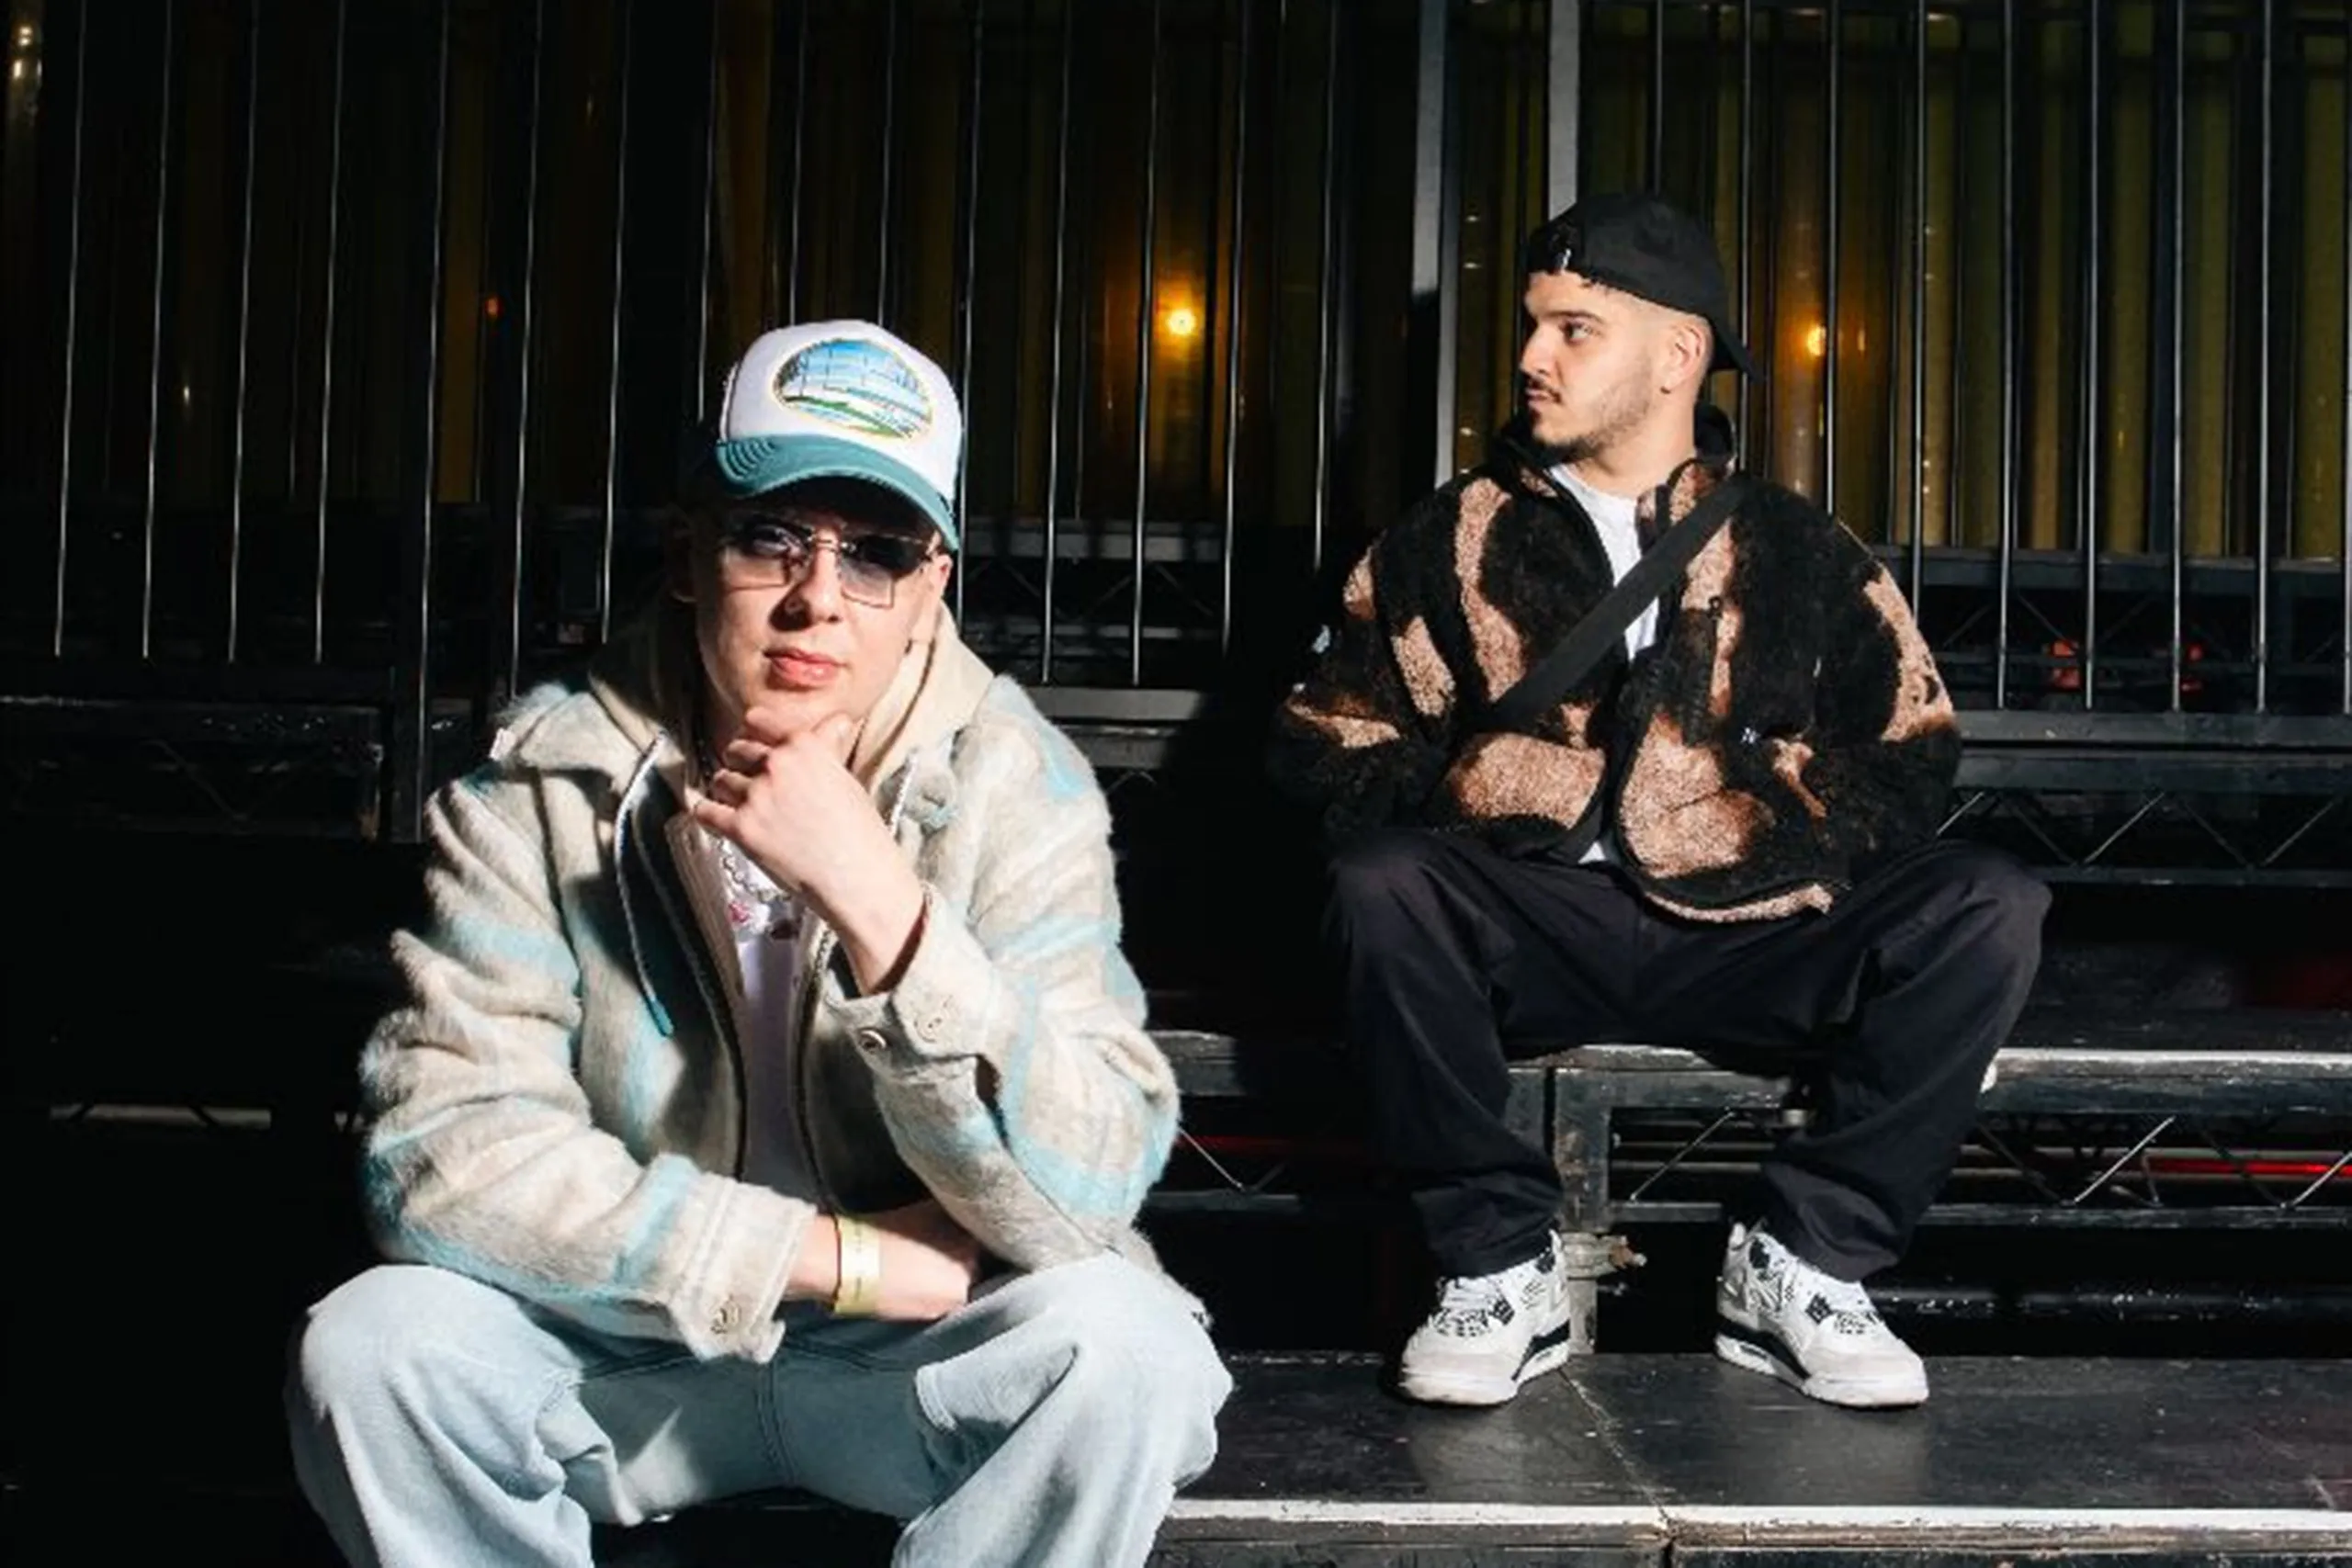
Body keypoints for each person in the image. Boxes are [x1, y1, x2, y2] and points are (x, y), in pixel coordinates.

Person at [286, 321, 1229, 1567]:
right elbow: (440, 1159)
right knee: (373, 1350)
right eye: (771, 535)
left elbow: (1085, 1188)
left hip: (911, 1370)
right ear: (689, 554)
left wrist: (883, 908)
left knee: (1129, 1354)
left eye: (878, 552)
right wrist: (829, 1256)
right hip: (631, 1351)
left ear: (932, 588)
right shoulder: (544, 779)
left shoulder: (1017, 784)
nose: (817, 598)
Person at [1269, 192, 2047, 1412]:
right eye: (1533, 325)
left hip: (1751, 930)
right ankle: (1495, 1265)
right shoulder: (1446, 537)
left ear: (1678, 353)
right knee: (1381, 887)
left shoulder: (1797, 547)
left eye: (1575, 329)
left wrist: (1762, 827)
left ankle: (1806, 1259)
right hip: (1537, 920)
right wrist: (1499, 788)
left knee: (1989, 903)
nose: (1533, 356)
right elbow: (1327, 742)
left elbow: (1909, 751)